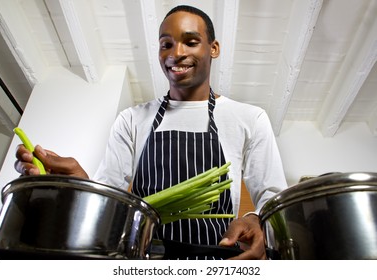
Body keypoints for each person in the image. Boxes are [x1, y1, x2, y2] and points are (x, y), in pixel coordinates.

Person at [15, 5, 287, 260]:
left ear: (213, 48)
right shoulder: (131, 119)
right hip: (142, 259)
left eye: (190, 42)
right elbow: (110, 199)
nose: (175, 53)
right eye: (166, 44)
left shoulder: (249, 119)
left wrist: (255, 218)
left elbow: (272, 198)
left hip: (217, 260)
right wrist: (75, 189)